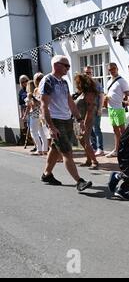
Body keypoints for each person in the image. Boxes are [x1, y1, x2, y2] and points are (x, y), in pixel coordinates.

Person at [39, 55, 92, 192]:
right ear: (56, 65)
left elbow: (70, 102)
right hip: (55, 120)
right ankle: (79, 181)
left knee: (56, 149)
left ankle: (47, 174)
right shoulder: (48, 80)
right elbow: (44, 105)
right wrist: (51, 126)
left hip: (66, 119)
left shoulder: (63, 82)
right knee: (67, 152)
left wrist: (79, 119)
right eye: (66, 66)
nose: (68, 68)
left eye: (69, 66)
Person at [104, 63, 129, 158]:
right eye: (110, 69)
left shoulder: (121, 81)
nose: (112, 71)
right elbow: (108, 94)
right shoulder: (108, 81)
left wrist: (126, 102)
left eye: (113, 69)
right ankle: (117, 149)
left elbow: (128, 93)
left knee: (122, 130)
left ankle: (127, 150)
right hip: (111, 108)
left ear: (117, 69)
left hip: (119, 108)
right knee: (115, 130)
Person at [74, 73, 100, 170]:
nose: (76, 85)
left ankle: (94, 161)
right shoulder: (82, 93)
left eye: (78, 83)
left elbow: (90, 110)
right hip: (80, 119)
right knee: (81, 139)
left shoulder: (89, 93)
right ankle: (89, 160)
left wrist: (84, 124)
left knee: (85, 140)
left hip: (87, 120)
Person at [84, 66, 105, 157]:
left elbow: (101, 96)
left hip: (95, 109)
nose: (88, 74)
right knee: (90, 129)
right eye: (86, 73)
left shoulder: (96, 83)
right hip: (86, 110)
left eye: (90, 73)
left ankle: (100, 148)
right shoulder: (83, 84)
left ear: (92, 73)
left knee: (96, 128)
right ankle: (94, 147)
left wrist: (100, 108)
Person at [24, 80, 48, 155]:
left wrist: (25, 115)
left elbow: (29, 106)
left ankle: (39, 149)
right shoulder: (38, 92)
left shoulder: (30, 95)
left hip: (34, 115)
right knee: (42, 133)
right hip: (40, 115)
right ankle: (45, 149)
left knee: (34, 132)